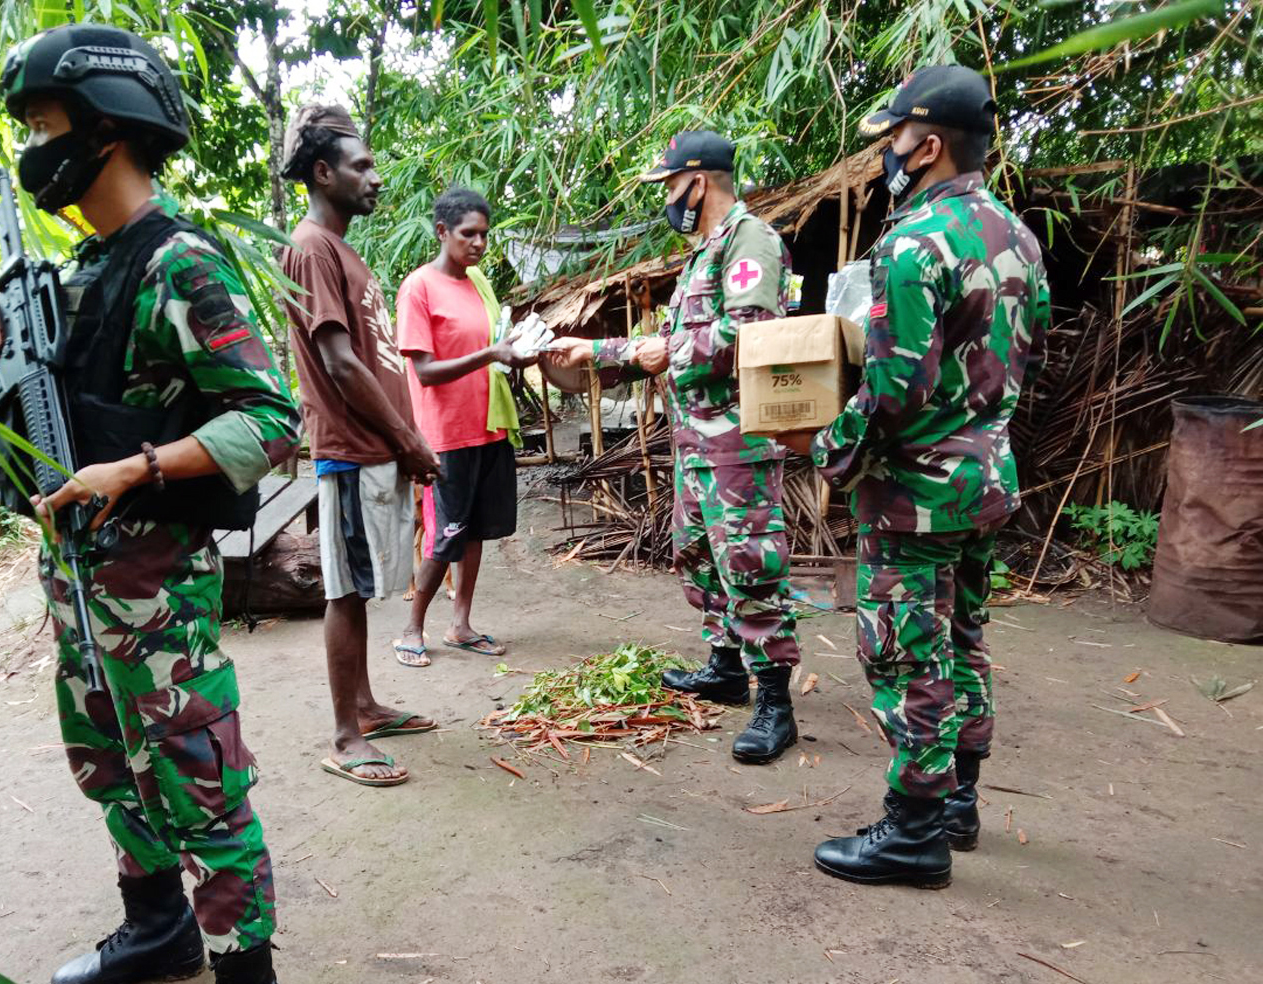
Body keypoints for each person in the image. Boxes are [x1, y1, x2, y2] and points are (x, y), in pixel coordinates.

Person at [0, 25, 297, 984]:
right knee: (109, 766)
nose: (31, 148)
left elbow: (272, 420)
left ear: (108, 128)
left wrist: (135, 469)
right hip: (80, 588)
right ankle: (158, 931)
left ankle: (245, 967)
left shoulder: (176, 264)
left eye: (43, 124)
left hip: (156, 599)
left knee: (201, 785)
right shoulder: (81, 274)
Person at [807, 65, 1050, 888]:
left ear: (932, 144)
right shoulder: (1017, 238)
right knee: (963, 639)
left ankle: (914, 831)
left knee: (907, 653)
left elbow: (894, 390)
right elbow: (1027, 356)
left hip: (916, 493)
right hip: (984, 480)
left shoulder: (914, 243)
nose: (889, 151)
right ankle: (959, 803)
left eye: (896, 138)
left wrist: (831, 449)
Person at [547, 130, 803, 765]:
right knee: (700, 556)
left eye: (669, 185)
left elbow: (753, 330)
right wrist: (594, 352)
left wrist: (670, 350)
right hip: (697, 440)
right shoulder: (700, 255)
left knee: (749, 561)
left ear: (698, 181)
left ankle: (774, 701)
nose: (666, 198)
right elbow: (659, 342)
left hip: (738, 440)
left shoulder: (751, 240)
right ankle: (725, 666)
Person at [276, 104, 441, 788]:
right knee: (344, 591)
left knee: (363, 585)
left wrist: (401, 440)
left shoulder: (340, 247)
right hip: (351, 447)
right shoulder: (312, 246)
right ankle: (346, 736)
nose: (376, 177)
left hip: (376, 448)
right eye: (362, 165)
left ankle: (367, 706)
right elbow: (342, 363)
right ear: (323, 172)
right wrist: (406, 439)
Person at [393, 187, 536, 667]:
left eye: (484, 235)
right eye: (467, 234)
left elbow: (494, 344)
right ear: (442, 232)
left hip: (488, 425)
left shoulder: (479, 283)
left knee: (474, 531)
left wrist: (513, 351)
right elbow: (426, 371)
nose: (478, 244)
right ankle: (412, 628)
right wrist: (490, 355)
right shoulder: (419, 288)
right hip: (445, 433)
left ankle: (461, 624)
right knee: (444, 534)